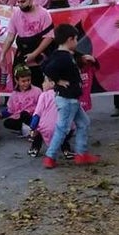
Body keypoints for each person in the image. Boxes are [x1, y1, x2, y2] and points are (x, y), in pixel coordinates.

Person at [40, 23, 101, 168]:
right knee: (62, 128)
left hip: (70, 99)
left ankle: (81, 153)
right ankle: (50, 156)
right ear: (70, 40)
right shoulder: (65, 58)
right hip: (68, 99)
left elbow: (44, 65)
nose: (76, 42)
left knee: (83, 123)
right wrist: (58, 81)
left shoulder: (60, 54)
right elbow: (48, 68)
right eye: (75, 39)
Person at [0, 0, 56, 88]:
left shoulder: (43, 14)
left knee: (39, 87)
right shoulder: (16, 14)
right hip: (23, 53)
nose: (20, 5)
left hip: (40, 55)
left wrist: (34, 54)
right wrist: (3, 54)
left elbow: (49, 37)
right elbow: (10, 37)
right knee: (20, 87)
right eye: (18, 2)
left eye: (23, 1)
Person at [0, 65, 42, 153]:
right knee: (7, 123)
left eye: (28, 80)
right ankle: (26, 129)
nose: (26, 83)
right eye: (23, 81)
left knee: (25, 114)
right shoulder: (14, 94)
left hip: (34, 118)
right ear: (16, 80)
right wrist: (2, 114)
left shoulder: (37, 91)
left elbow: (41, 107)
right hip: (20, 117)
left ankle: (34, 131)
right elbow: (11, 109)